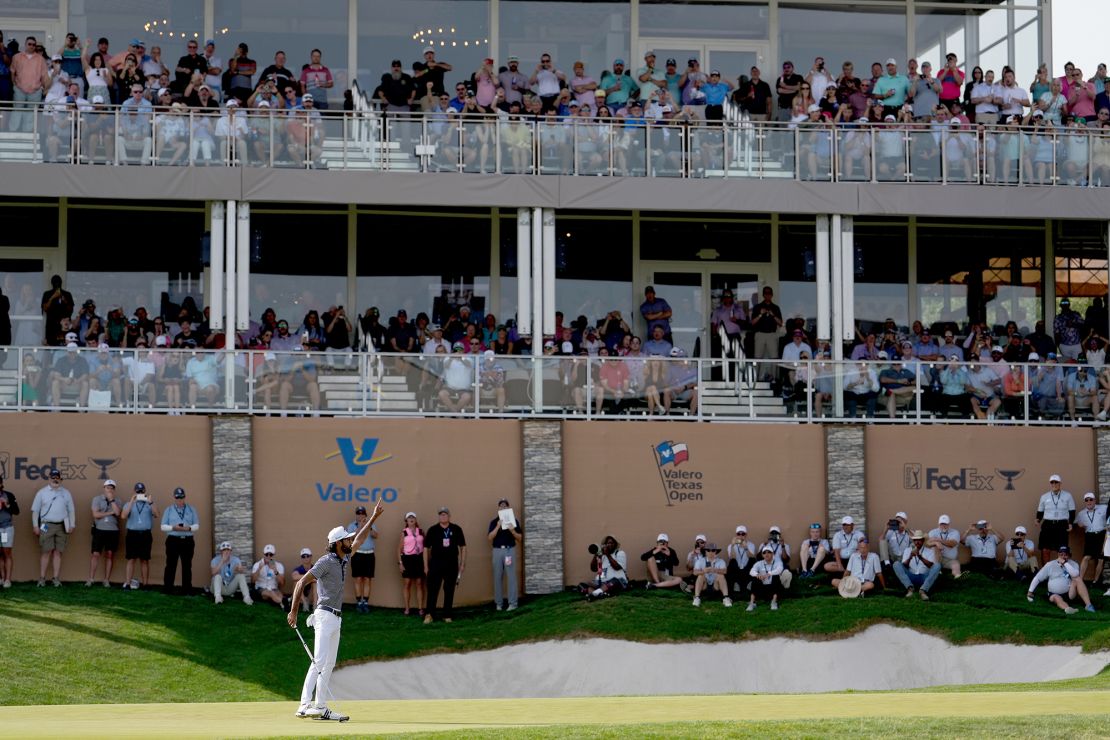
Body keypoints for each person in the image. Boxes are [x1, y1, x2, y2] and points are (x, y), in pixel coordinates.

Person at [288, 500, 385, 721]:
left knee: (329, 663)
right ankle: (304, 705)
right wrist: (293, 612)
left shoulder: (344, 558)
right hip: (323, 615)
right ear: (338, 543)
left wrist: (373, 518)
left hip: (337, 618)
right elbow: (300, 583)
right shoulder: (325, 561)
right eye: (347, 539)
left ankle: (321, 707)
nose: (351, 540)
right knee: (319, 661)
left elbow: (360, 539)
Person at [31, 467, 75, 587]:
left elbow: (71, 510)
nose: (55, 480)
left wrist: (72, 524)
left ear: (61, 479)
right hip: (46, 525)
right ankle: (42, 578)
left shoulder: (66, 493)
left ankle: (55, 578)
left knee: (58, 552)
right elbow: (35, 511)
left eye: (57, 478)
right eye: (53, 478)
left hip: (62, 525)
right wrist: (35, 525)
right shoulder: (42, 492)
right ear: (49, 479)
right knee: (46, 551)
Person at [424, 506, 467, 624]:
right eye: (441, 514)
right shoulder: (432, 530)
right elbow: (426, 548)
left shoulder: (456, 529)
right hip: (436, 563)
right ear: (439, 516)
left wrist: (462, 564)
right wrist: (426, 566)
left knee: (449, 589)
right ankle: (429, 614)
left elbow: (463, 547)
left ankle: (447, 615)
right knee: (433, 589)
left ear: (449, 516)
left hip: (452, 563)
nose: (443, 516)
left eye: (445, 514)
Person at [1027, 545, 1095, 614]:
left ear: (1069, 555)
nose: (1063, 556)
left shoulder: (1073, 564)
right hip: (1054, 593)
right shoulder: (1050, 564)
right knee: (1056, 598)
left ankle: (1088, 605)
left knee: (1078, 579)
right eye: (1061, 554)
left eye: (1065, 555)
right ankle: (1068, 609)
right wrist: (1030, 591)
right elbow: (1038, 578)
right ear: (1058, 555)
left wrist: (1065, 563)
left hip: (1070, 593)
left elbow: (1075, 574)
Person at [160, 486, 199, 595]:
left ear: (184, 497)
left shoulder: (192, 509)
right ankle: (167, 589)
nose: (179, 500)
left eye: (181, 497)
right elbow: (163, 526)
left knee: (187, 565)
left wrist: (189, 528)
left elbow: (196, 525)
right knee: (170, 565)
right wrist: (173, 528)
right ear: (174, 497)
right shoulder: (169, 510)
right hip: (173, 540)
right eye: (177, 498)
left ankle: (187, 589)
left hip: (187, 541)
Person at [120, 481, 158, 590]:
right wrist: (132, 502)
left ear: (145, 491)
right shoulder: (129, 504)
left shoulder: (149, 504)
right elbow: (123, 516)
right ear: (135, 492)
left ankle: (145, 584)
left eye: (142, 491)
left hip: (145, 535)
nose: (140, 492)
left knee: (144, 560)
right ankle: (127, 583)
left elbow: (157, 514)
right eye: (138, 491)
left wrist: (151, 502)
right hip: (132, 535)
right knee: (131, 559)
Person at [488, 498, 522, 611]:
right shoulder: (493, 522)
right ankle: (499, 603)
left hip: (509, 550)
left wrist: (512, 531)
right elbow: (489, 538)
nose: (503, 508)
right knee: (497, 577)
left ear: (508, 508)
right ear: (498, 508)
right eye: (501, 506)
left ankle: (513, 603)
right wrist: (498, 526)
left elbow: (520, 538)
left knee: (511, 577)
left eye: (505, 506)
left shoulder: (514, 521)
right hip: (497, 551)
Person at [87, 479, 121, 587]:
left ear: (114, 490)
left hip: (113, 531)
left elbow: (118, 513)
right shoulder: (97, 499)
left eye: (112, 488)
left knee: (110, 554)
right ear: (104, 488)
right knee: (95, 554)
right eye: (107, 487)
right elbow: (96, 515)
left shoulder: (118, 500)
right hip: (99, 530)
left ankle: (106, 580)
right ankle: (91, 579)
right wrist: (110, 512)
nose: (109, 490)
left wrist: (112, 501)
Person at [1036, 473, 1076, 565]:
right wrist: (1038, 519)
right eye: (1052, 482)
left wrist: (1071, 523)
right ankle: (1046, 574)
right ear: (1050, 484)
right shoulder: (1044, 496)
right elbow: (1040, 511)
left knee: (1062, 550)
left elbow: (1072, 511)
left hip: (1061, 525)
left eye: (1056, 482)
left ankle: (1062, 573)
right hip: (1047, 525)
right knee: (1045, 549)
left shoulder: (1068, 495)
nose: (1054, 484)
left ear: (1060, 483)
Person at [345, 505, 378, 614]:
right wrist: (360, 526)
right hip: (357, 554)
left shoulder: (371, 524)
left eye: (362, 513)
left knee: (367, 579)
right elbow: (351, 537)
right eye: (358, 513)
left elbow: (375, 535)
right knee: (358, 579)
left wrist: (369, 526)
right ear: (356, 515)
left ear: (365, 514)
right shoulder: (351, 525)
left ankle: (366, 602)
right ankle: (359, 602)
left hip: (369, 554)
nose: (360, 515)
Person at [893, 530, 941, 600]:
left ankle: (923, 590)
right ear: (913, 541)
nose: (917, 542)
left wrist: (920, 557)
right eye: (915, 540)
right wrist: (910, 557)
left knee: (937, 565)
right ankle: (910, 589)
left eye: (919, 540)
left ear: (923, 540)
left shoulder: (929, 551)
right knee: (896, 564)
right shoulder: (908, 550)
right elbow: (904, 566)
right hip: (911, 576)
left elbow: (931, 565)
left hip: (924, 577)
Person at [397, 512, 426, 616]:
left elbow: (426, 547)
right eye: (409, 517)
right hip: (407, 559)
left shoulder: (421, 531)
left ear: (416, 519)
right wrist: (400, 563)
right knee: (407, 583)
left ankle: (420, 608)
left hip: (419, 559)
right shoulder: (404, 532)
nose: (411, 519)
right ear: (406, 521)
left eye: (413, 517)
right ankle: (407, 608)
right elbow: (399, 549)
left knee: (419, 583)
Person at [584, 534, 627, 600]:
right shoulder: (602, 556)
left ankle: (593, 594)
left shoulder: (620, 553)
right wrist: (596, 554)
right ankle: (600, 595)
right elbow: (593, 569)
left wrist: (607, 554)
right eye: (607, 543)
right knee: (585, 584)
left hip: (617, 581)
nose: (609, 545)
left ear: (615, 544)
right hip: (602, 583)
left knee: (614, 581)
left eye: (611, 543)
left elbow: (617, 567)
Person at [1076, 492, 1107, 584]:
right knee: (1086, 557)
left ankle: (1095, 581)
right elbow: (1076, 523)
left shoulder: (1104, 508)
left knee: (1101, 559)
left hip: (1102, 534)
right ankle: (1080, 580)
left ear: (1094, 500)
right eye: (1086, 500)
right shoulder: (1081, 513)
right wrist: (1078, 525)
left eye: (1091, 499)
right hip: (1089, 536)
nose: (1089, 502)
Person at [210, 541, 253, 605]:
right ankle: (218, 597)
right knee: (217, 576)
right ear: (221, 552)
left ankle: (246, 597)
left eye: (228, 550)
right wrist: (222, 561)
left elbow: (241, 571)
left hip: (229, 587)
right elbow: (213, 573)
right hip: (218, 587)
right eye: (224, 550)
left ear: (231, 551)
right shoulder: (215, 560)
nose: (226, 552)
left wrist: (239, 570)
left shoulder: (236, 560)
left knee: (240, 576)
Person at [691, 542, 732, 607]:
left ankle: (726, 597)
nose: (711, 552)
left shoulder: (720, 561)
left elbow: (725, 571)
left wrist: (715, 570)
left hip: (716, 585)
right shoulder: (700, 561)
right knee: (700, 576)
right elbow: (695, 572)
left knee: (721, 576)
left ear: (716, 552)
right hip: (704, 585)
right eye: (708, 550)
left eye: (713, 550)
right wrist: (703, 571)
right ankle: (697, 598)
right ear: (705, 551)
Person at [747, 545, 783, 611]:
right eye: (764, 553)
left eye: (769, 552)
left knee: (776, 577)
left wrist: (769, 574)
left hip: (773, 588)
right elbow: (751, 571)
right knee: (755, 578)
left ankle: (774, 602)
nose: (766, 554)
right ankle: (752, 603)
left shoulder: (777, 562)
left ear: (773, 554)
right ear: (762, 555)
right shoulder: (759, 563)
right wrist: (757, 574)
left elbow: (780, 569)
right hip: (762, 588)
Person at [928, 514, 962, 579]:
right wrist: (936, 543)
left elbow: (952, 544)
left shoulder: (955, 532)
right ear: (938, 524)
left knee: (956, 565)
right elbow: (929, 543)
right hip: (935, 559)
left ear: (949, 524)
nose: (943, 526)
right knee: (935, 546)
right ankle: (937, 570)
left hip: (949, 560)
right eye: (941, 524)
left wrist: (938, 540)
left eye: (945, 524)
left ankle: (958, 576)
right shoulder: (932, 532)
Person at [0, 476, 19, 588]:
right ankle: (1, 578)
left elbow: (17, 511)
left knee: (6, 553)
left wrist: (7, 505)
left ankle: (8, 580)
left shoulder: (9, 495)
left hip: (6, 528)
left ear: (1, 483)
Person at [725, 525, 755, 595]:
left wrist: (745, 548)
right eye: (739, 534)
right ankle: (730, 593)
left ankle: (749, 587)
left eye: (743, 534)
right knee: (732, 562)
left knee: (752, 560)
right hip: (736, 570)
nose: (741, 536)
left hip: (747, 569)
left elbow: (752, 557)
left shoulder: (751, 545)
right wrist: (732, 546)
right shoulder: (731, 546)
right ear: (736, 535)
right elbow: (732, 557)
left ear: (746, 535)